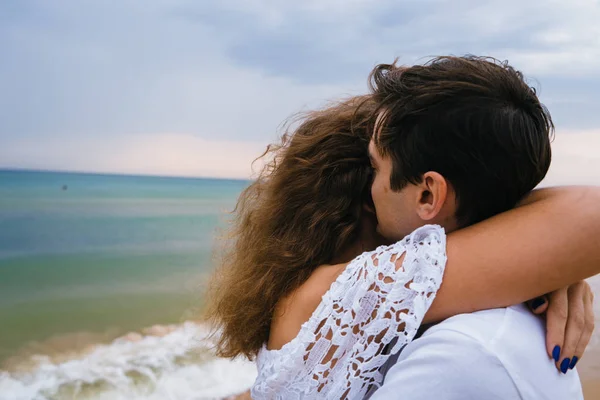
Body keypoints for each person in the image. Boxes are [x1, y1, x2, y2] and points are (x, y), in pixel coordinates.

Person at [205, 58, 598, 399]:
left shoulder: (463, 349)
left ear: (428, 195)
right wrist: (545, 259)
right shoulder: (376, 296)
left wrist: (549, 264)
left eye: (376, 168)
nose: (372, 192)